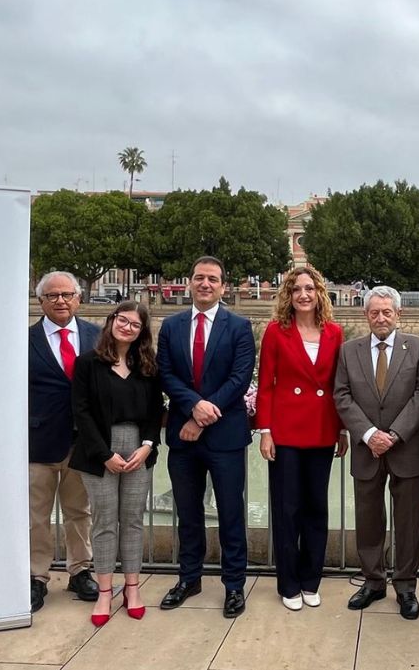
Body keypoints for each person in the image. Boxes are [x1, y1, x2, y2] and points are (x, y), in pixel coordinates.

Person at [156, 256, 256, 619]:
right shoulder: (170, 326)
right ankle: (189, 578)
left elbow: (240, 377)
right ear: (189, 282)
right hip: (183, 440)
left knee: (231, 514)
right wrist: (194, 405)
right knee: (188, 514)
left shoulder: (240, 326)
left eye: (213, 279)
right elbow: (165, 374)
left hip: (224, 437)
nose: (205, 284)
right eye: (199, 278)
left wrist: (202, 414)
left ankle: (234, 586)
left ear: (223, 286)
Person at [333, 286, 419, 620]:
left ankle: (406, 587)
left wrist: (394, 434)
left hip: (408, 448)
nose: (380, 318)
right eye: (374, 312)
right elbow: (342, 396)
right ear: (365, 315)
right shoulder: (349, 351)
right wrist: (370, 434)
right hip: (366, 449)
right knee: (368, 520)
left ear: (398, 314)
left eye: (387, 312)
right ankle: (373, 582)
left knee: (408, 523)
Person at [255, 267, 349, 611]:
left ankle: (311, 580)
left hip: (323, 431)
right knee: (286, 510)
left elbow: (340, 386)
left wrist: (341, 429)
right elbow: (266, 384)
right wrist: (265, 431)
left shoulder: (335, 333)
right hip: (286, 432)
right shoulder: (276, 332)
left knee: (316, 509)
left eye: (310, 288)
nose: (304, 295)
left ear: (320, 293)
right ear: (289, 296)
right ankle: (289, 583)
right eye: (297, 289)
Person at [70, 301, 165, 626]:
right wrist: (104, 454)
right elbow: (80, 412)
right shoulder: (88, 364)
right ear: (111, 322)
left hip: (139, 448)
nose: (127, 327)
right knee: (104, 521)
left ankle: (133, 588)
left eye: (135, 325)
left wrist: (147, 447)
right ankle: (105, 591)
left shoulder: (148, 366)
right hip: (99, 452)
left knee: (133, 520)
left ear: (142, 333)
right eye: (122, 320)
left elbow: (156, 412)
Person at [28, 271, 100, 613]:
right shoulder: (24, 340)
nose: (60, 301)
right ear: (40, 301)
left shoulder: (96, 337)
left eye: (67, 294)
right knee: (35, 516)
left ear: (78, 298)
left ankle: (80, 570)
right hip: (37, 442)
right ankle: (35, 577)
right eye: (52, 296)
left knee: (79, 512)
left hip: (81, 443)